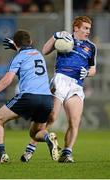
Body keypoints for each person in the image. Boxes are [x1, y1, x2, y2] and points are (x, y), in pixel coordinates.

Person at [19, 16, 97, 163]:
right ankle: (31, 146)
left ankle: (67, 153)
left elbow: (93, 69)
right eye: (85, 28)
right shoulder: (64, 38)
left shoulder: (91, 47)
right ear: (76, 28)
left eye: (89, 29)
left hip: (77, 84)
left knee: (75, 121)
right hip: (60, 80)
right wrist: (55, 36)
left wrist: (87, 73)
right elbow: (45, 50)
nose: (88, 31)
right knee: (51, 116)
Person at [0, 29, 60, 163]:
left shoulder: (18, 57)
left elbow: (7, 80)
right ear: (31, 42)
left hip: (29, 96)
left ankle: (1, 154)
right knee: (35, 133)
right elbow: (27, 50)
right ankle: (48, 138)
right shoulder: (39, 54)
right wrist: (17, 47)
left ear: (16, 44)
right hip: (46, 99)